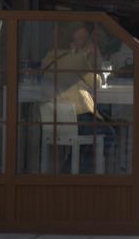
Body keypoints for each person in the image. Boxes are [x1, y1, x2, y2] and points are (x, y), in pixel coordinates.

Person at [41, 23, 114, 173]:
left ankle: (70, 171)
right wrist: (85, 57)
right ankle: (75, 175)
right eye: (81, 38)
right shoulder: (74, 58)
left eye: (86, 38)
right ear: (71, 42)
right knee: (108, 134)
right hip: (75, 115)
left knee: (94, 136)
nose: (85, 42)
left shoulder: (52, 56)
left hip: (53, 116)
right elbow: (96, 82)